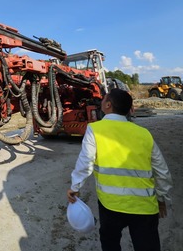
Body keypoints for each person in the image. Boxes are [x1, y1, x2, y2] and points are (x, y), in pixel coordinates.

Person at [67, 88, 172, 251]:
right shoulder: (144, 134)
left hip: (111, 205)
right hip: (144, 207)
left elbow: (85, 162)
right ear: (130, 109)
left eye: (103, 99)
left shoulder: (95, 129)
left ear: (108, 105)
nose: (101, 101)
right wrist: (161, 198)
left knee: (110, 243)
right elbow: (162, 171)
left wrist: (75, 187)